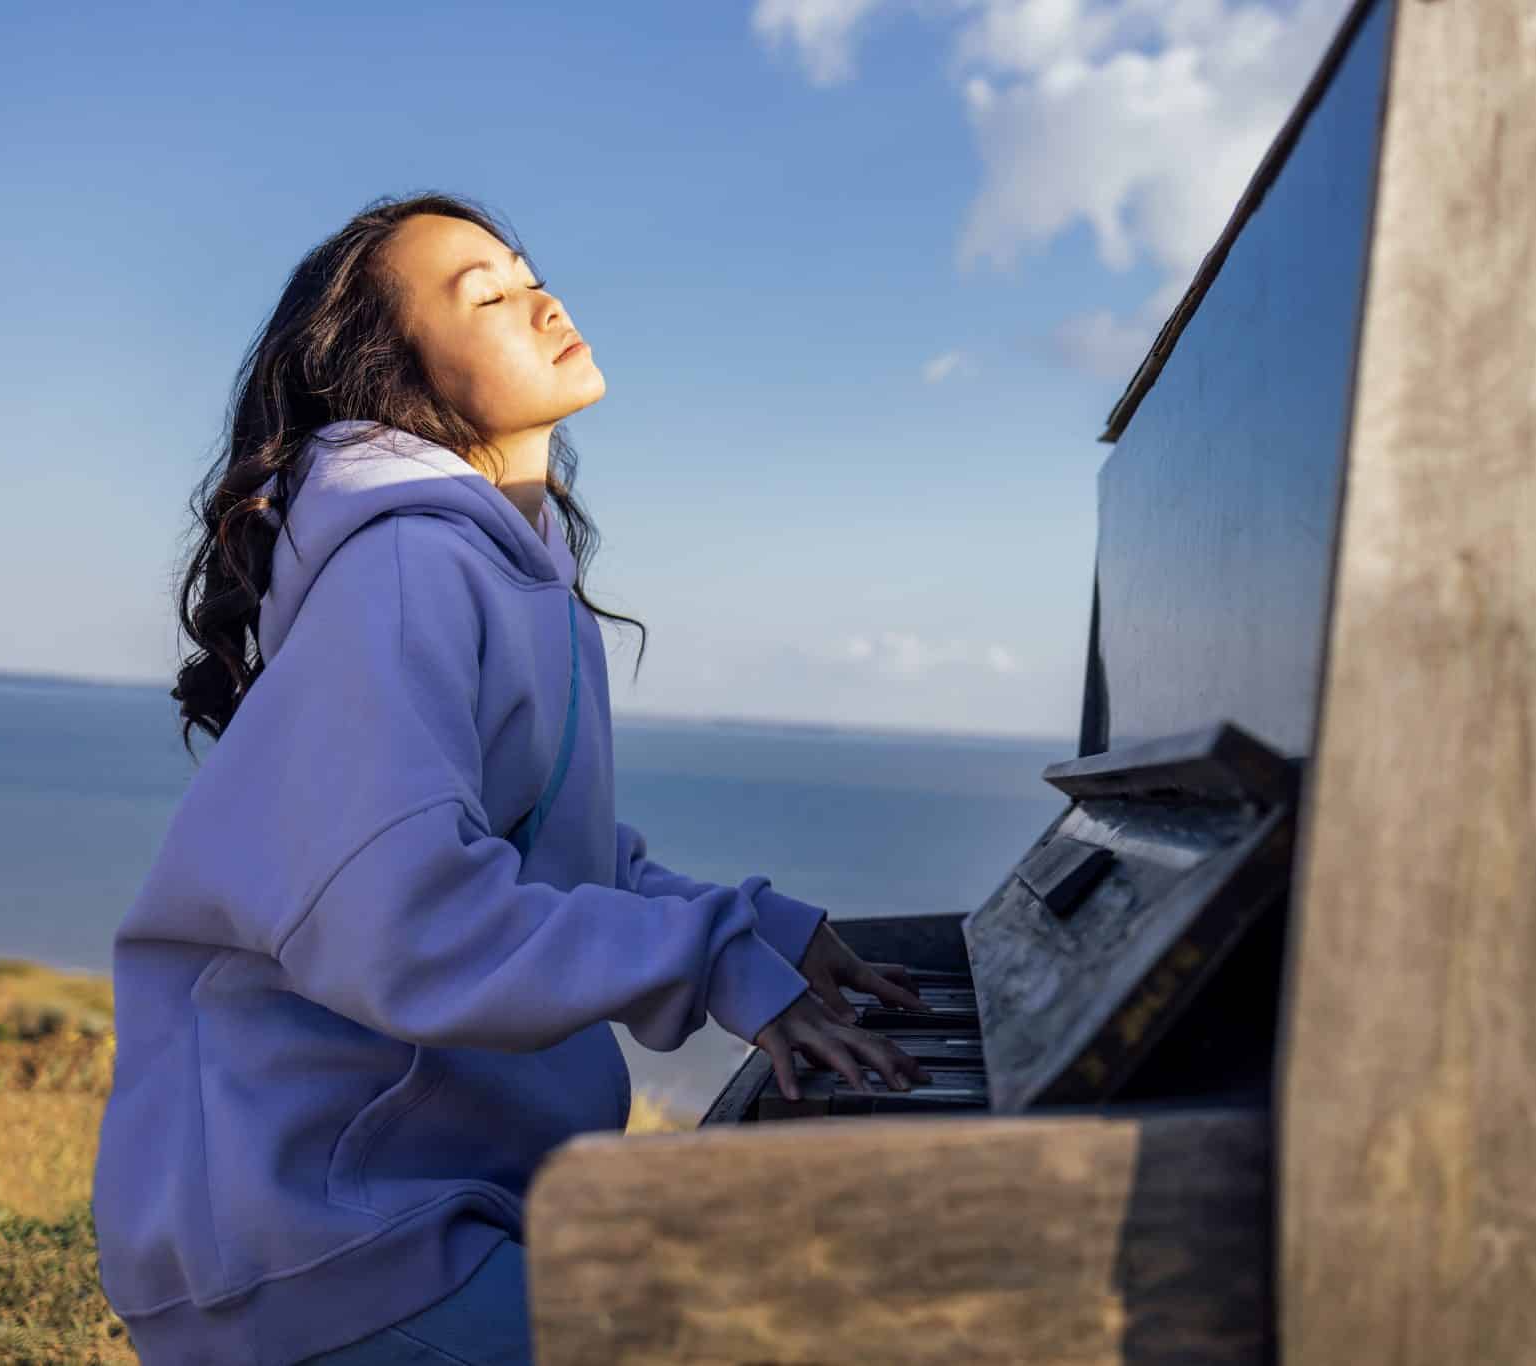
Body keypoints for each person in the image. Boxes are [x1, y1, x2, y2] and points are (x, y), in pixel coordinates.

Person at [90, 192, 934, 1366]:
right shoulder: (404, 564)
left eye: (528, 271)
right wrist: (710, 961)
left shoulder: (519, 570)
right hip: (317, 1234)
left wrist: (760, 932)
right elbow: (405, 918)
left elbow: (561, 855)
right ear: (392, 374)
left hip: (425, 1205)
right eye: (482, 293)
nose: (539, 297)